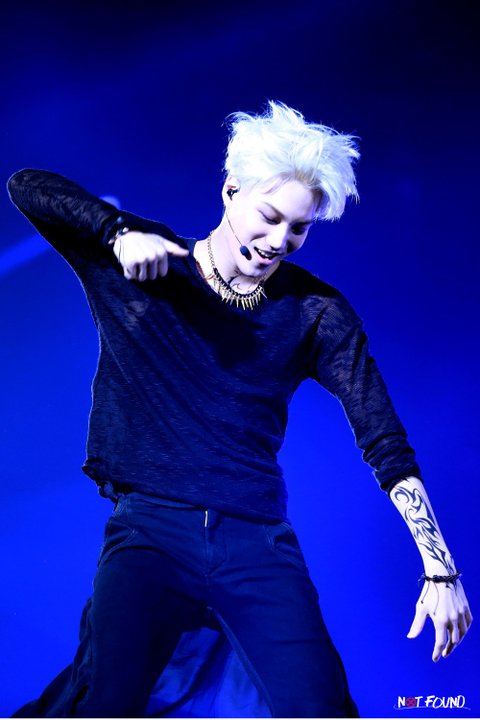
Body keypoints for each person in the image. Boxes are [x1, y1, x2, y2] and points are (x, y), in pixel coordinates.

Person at [7, 101, 472, 718]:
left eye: (299, 228)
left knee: (321, 708)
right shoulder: (150, 264)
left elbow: (384, 439)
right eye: (270, 216)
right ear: (231, 191)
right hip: (149, 534)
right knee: (105, 700)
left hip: (258, 544)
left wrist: (441, 572)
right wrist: (115, 231)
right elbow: (27, 185)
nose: (279, 241)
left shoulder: (316, 312)